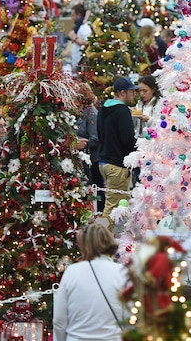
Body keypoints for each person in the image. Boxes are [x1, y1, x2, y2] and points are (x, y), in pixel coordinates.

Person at [53, 223, 128, 341]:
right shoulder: (122, 273)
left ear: (84, 245)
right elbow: (130, 316)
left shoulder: (72, 272)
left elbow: (59, 320)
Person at [98, 77, 139, 220]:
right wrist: (140, 147)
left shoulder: (103, 109)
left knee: (113, 204)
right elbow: (127, 139)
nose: (134, 94)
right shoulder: (122, 111)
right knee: (112, 206)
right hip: (117, 164)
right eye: (131, 92)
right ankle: (101, 238)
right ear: (122, 92)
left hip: (104, 162)